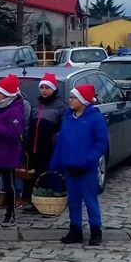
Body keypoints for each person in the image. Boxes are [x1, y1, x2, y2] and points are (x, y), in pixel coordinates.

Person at [49, 84, 109, 246]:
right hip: (70, 167)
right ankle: (75, 229)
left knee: (90, 200)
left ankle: (96, 230)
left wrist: (89, 160)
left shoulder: (95, 118)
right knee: (74, 202)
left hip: (86, 168)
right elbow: (61, 142)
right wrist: (55, 164)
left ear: (83, 100)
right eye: (70, 97)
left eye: (74, 98)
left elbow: (101, 143)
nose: (70, 100)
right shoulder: (68, 118)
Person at [0, 74, 27, 225]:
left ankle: (11, 213)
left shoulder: (15, 110)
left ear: (7, 95)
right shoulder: (3, 107)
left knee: (9, 184)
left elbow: (13, 134)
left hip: (9, 153)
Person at [22, 72, 67, 213]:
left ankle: (48, 201)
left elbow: (63, 129)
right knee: (34, 176)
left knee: (47, 175)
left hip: (49, 148)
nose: (44, 90)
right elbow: (29, 124)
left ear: (54, 89)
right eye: (42, 87)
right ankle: (34, 201)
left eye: (47, 88)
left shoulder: (61, 107)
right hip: (34, 148)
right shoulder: (36, 104)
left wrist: (56, 142)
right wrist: (27, 142)